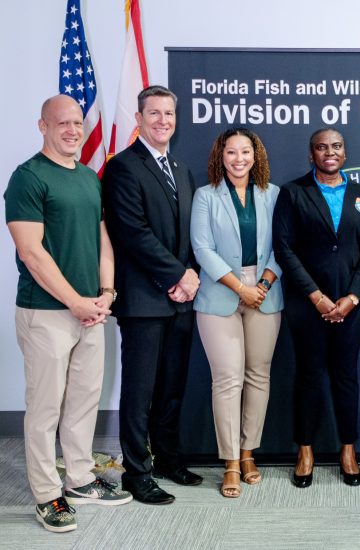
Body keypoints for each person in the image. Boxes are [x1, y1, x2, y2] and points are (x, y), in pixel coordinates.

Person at [5, 95, 131, 533]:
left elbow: (101, 238)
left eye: (78, 123)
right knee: (45, 409)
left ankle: (79, 478)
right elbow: (31, 252)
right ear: (42, 126)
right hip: (47, 314)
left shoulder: (87, 179)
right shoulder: (27, 178)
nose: (73, 130)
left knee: (82, 402)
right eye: (63, 123)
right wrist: (75, 302)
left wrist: (105, 293)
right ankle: (47, 494)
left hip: (91, 312)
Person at [103, 85, 202, 505]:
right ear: (139, 119)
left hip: (181, 297)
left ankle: (167, 458)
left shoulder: (180, 168)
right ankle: (136, 472)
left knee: (172, 386)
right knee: (140, 390)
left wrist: (191, 274)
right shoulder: (123, 167)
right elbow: (132, 233)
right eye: (154, 113)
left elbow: (189, 232)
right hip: (144, 299)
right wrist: (177, 275)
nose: (163, 120)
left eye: (169, 114)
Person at [273, 128, 360, 488]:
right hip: (306, 304)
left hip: (350, 304)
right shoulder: (293, 193)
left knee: (346, 377)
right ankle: (305, 450)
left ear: (344, 153)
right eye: (321, 147)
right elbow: (284, 249)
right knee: (309, 377)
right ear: (311, 154)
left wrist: (352, 297)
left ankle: (348, 449)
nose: (329, 152)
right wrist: (316, 297)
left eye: (336, 146)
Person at [191, 128, 283, 498]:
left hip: (265, 290)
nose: (239, 159)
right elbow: (202, 248)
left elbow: (285, 244)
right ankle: (229, 461)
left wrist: (261, 284)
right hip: (220, 294)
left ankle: (248, 454)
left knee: (258, 376)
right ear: (220, 156)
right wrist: (240, 287)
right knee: (228, 379)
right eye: (232, 152)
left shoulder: (273, 194)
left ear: (256, 155)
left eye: (246, 152)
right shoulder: (205, 196)